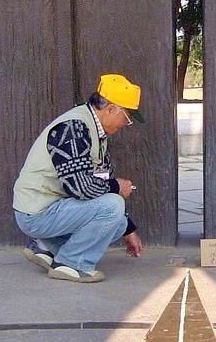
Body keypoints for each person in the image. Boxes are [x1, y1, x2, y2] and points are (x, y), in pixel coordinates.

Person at [12, 73, 144, 282]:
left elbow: (100, 179)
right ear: (110, 109)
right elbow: (80, 188)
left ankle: (46, 247)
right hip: (37, 214)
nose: (125, 124)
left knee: (118, 220)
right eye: (126, 117)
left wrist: (129, 231)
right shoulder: (73, 128)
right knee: (112, 206)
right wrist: (116, 186)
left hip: (55, 207)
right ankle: (71, 263)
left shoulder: (95, 131)